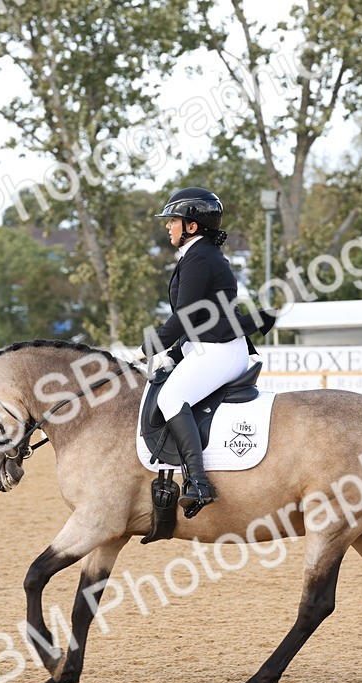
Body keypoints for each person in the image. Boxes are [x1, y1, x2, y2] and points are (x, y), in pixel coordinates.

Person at [131, 187, 266, 520]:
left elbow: (187, 314)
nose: (168, 227)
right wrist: (175, 352)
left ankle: (199, 483)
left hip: (220, 348)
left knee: (172, 399)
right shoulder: (198, 255)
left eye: (173, 221)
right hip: (206, 344)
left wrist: (149, 346)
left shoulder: (201, 257)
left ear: (192, 226)